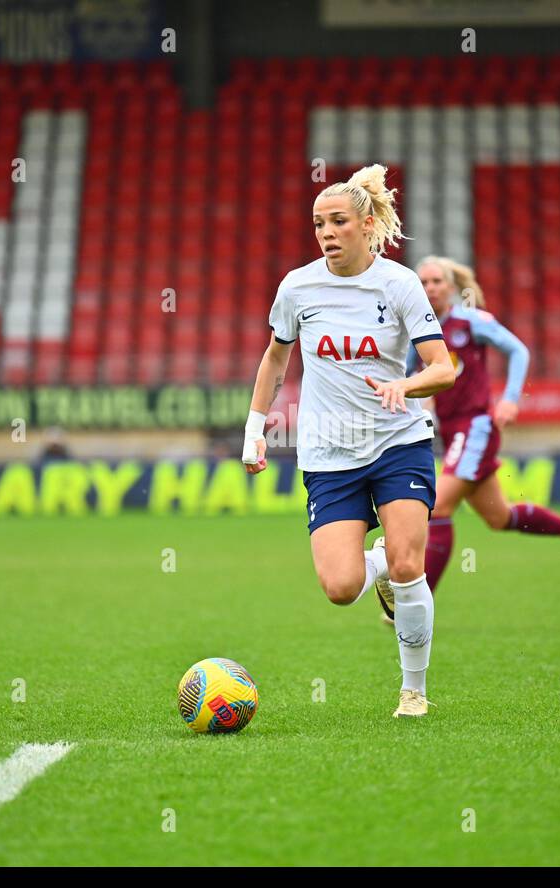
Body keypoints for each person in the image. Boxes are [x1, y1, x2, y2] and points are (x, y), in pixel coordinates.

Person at [240, 167, 456, 717]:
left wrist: (401, 384)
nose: (327, 232)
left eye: (337, 221)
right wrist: (255, 427)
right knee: (340, 587)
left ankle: (414, 691)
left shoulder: (399, 284)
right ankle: (377, 564)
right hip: (329, 452)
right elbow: (275, 356)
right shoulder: (298, 286)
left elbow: (443, 369)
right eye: (318, 224)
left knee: (412, 565)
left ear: (367, 224)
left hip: (398, 440)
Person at [398, 255, 560, 621]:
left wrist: (509, 399)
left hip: (476, 426)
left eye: (436, 282)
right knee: (499, 517)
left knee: (439, 506)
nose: (429, 288)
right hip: (452, 429)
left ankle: (416, 602)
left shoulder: (470, 320)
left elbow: (518, 350)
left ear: (450, 286)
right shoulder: (421, 331)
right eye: (424, 282)